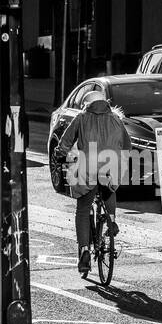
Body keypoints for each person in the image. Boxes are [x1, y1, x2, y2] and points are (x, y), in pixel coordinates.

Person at [54, 91, 131, 276]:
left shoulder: (81, 118)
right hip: (110, 168)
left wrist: (60, 154)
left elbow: (65, 143)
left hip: (87, 170)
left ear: (87, 103)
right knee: (110, 191)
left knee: (83, 209)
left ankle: (84, 250)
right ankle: (111, 220)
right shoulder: (116, 119)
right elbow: (127, 145)